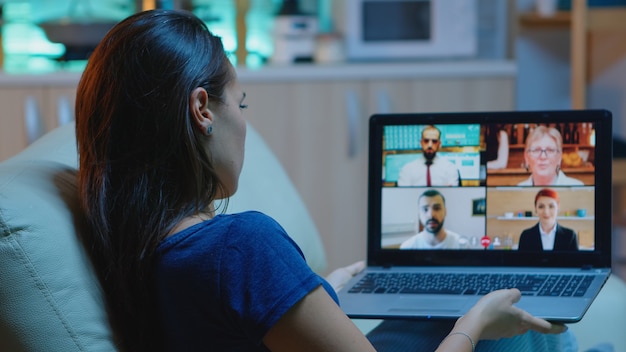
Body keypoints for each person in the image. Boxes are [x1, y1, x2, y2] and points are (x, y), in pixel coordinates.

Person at [75, 9, 568, 352]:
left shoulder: (136, 248)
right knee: (521, 319)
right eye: (240, 104)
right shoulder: (242, 247)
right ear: (202, 109)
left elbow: (233, 321)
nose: (245, 123)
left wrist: (310, 291)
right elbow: (241, 277)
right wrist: (475, 324)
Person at [518, 126, 584, 186]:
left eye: (550, 150)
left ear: (559, 157)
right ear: (526, 157)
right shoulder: (518, 191)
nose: (543, 157)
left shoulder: (578, 187)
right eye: (536, 150)